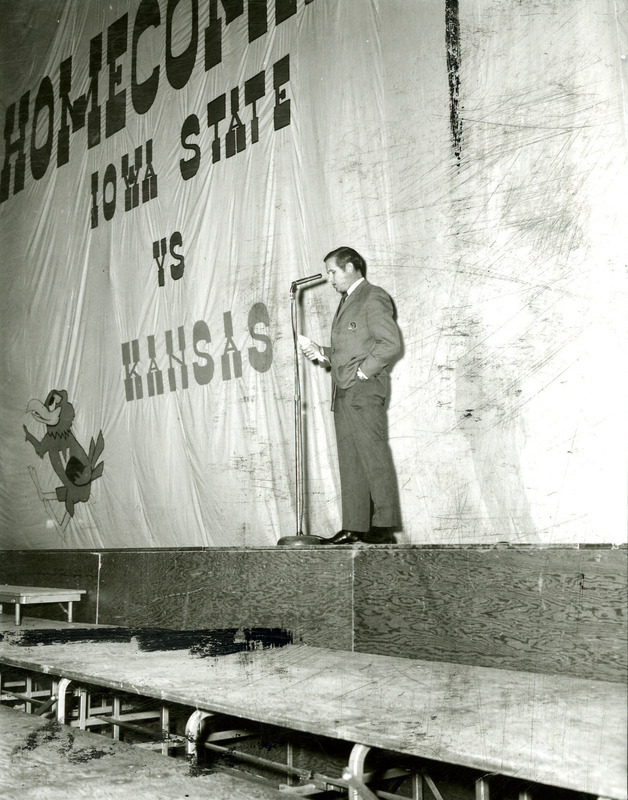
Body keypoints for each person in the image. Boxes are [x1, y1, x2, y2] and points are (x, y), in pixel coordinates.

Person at [300, 246, 401, 544]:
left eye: (332, 271)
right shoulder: (347, 301)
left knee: (373, 457)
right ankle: (355, 526)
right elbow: (352, 349)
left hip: (363, 390)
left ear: (350, 268)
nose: (330, 278)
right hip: (343, 392)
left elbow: (390, 343)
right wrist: (322, 353)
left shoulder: (373, 296)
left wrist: (363, 373)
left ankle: (383, 527)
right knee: (351, 463)